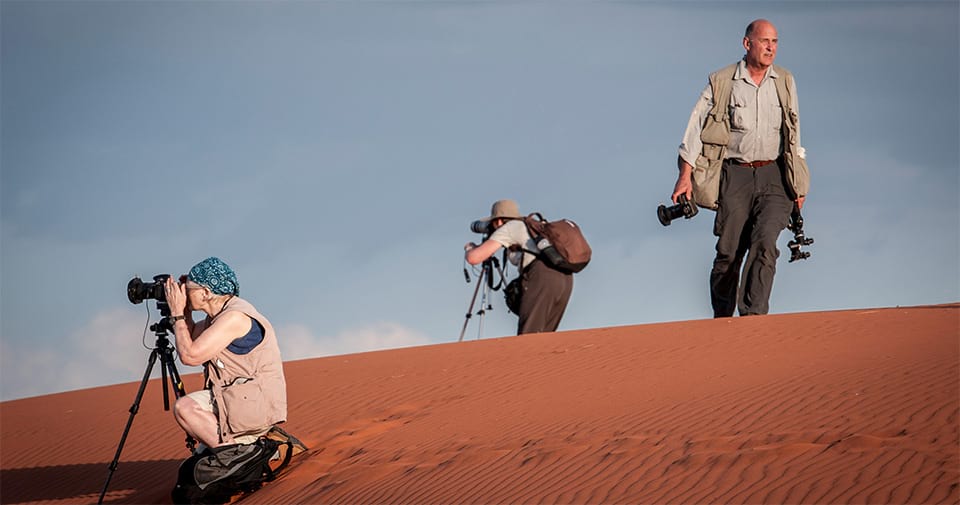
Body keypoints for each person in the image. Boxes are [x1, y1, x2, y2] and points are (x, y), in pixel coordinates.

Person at [672, 19, 810, 317]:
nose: (771, 47)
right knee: (729, 252)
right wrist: (685, 176)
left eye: (775, 42)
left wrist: (799, 184)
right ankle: (722, 320)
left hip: (775, 175)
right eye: (764, 41)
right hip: (734, 175)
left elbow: (794, 134)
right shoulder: (722, 81)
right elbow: (695, 129)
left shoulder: (785, 81)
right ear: (747, 44)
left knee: (765, 242)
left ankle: (753, 319)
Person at [163, 256, 287, 449]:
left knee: (185, 408)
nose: (184, 294)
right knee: (199, 459)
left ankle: (240, 453)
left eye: (188, 290)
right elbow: (191, 340)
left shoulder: (234, 318)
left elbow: (190, 355)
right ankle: (239, 450)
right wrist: (184, 313)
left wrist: (177, 312)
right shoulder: (217, 318)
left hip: (254, 405)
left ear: (205, 292)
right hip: (240, 401)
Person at [464, 199, 573, 334]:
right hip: (565, 278)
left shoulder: (510, 228)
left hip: (541, 277)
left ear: (498, 221)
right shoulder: (531, 226)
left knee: (529, 337)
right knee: (546, 336)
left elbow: (474, 258)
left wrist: (470, 248)